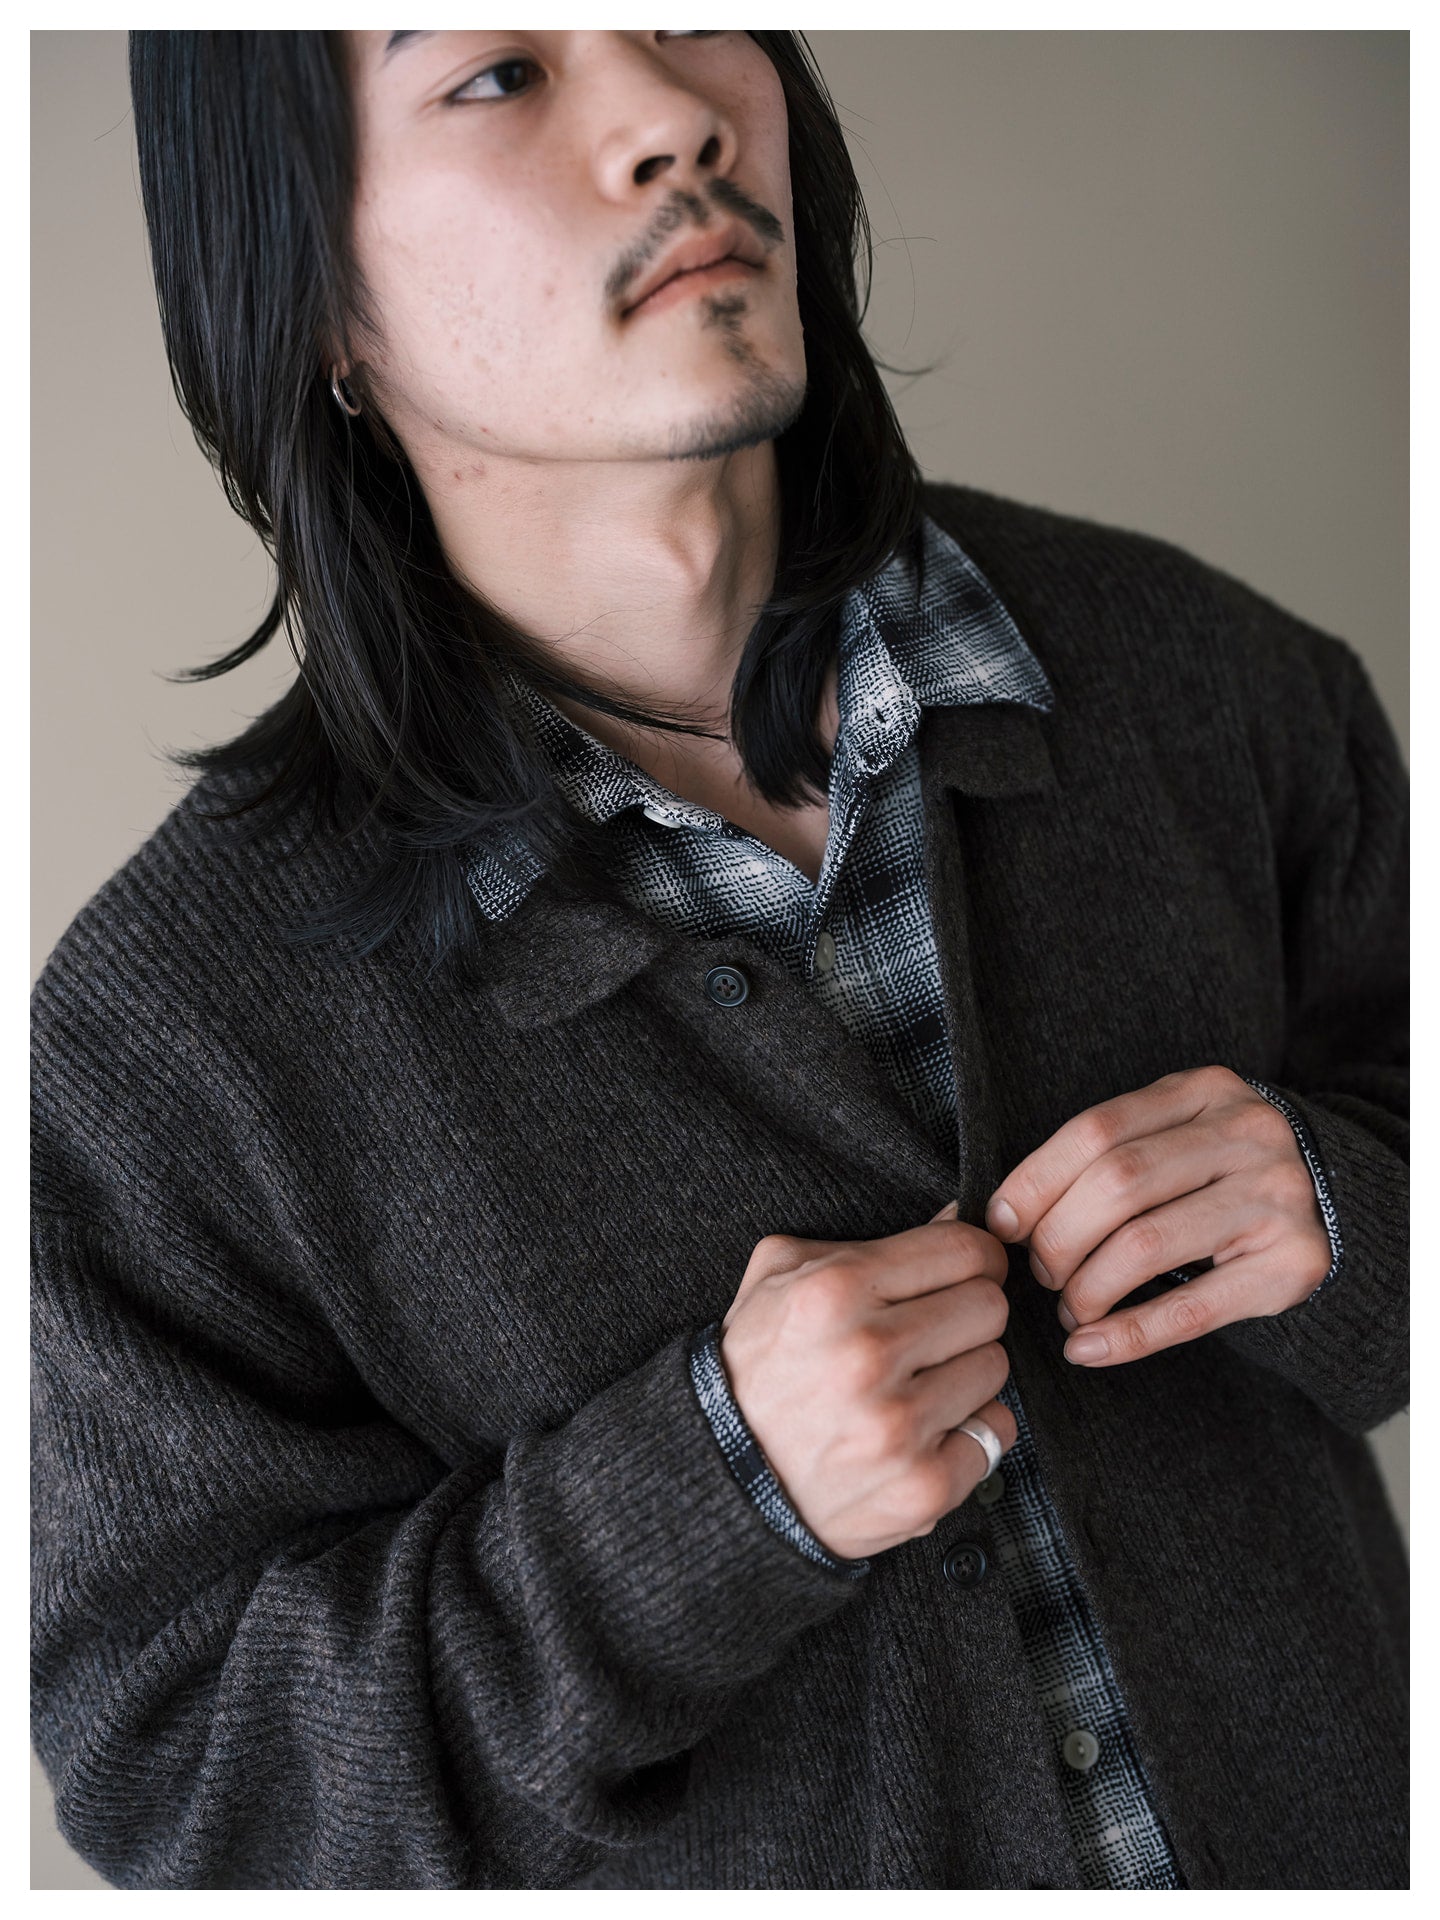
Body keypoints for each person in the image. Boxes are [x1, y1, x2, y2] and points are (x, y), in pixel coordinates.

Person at [31, 30, 1407, 1892]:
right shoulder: (168, 1048)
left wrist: (1353, 1208)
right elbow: (190, 1793)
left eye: (694, 13)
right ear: (308, 292)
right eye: (498, 73)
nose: (673, 113)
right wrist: (699, 1502)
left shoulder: (1219, 687)